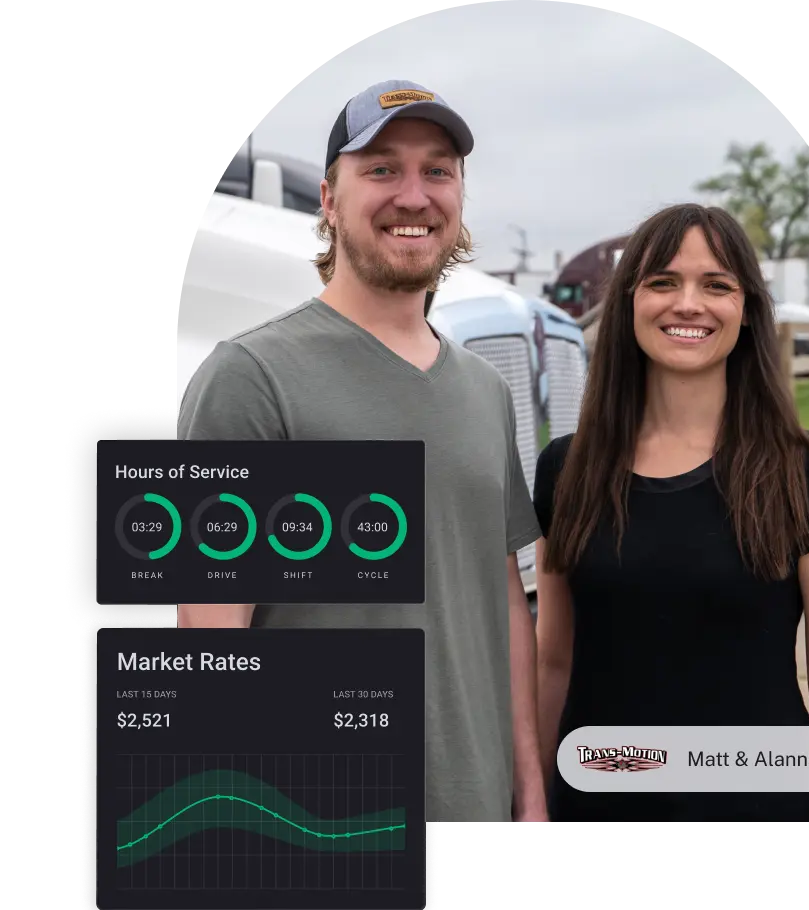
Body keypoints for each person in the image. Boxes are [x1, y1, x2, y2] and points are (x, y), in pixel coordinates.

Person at [177, 80, 548, 825]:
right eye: (380, 169)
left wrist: (530, 792)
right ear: (329, 198)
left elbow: (504, 605)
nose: (414, 195)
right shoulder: (251, 375)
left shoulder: (483, 390)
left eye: (437, 170)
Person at [534, 203, 809, 824]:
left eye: (716, 284)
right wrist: (534, 806)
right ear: (630, 303)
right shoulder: (567, 471)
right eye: (664, 281)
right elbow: (554, 660)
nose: (688, 303)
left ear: (745, 311)